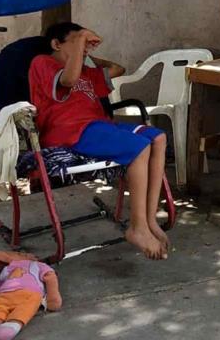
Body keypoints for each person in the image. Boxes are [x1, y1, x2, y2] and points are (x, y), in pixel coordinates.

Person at [29, 23, 170, 260]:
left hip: (99, 126)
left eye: (84, 46)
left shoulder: (86, 71)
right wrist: (80, 42)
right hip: (67, 131)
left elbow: (118, 68)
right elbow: (67, 80)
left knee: (157, 137)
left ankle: (149, 220)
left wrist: (86, 50)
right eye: (76, 42)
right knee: (139, 146)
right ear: (56, 44)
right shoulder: (42, 63)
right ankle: (137, 227)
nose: (82, 49)